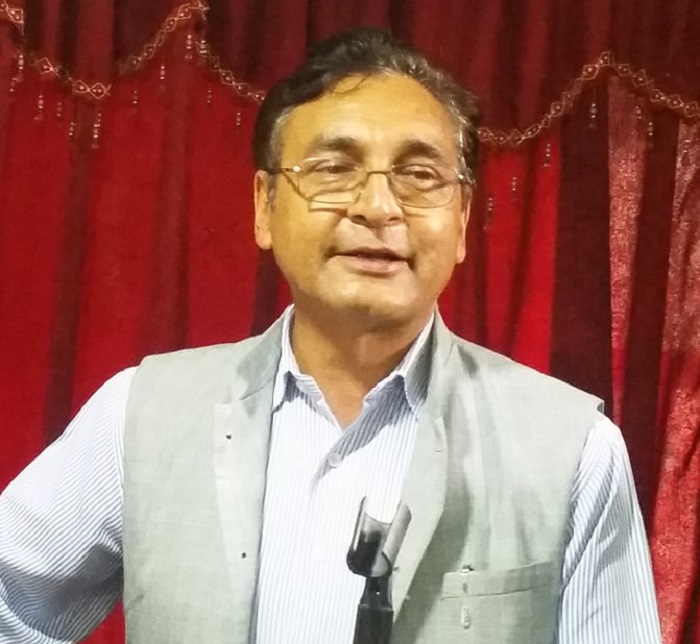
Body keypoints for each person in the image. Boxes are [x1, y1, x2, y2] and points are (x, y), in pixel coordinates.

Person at [0, 27, 661, 644]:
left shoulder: (574, 451)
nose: (377, 207)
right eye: (333, 169)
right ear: (265, 206)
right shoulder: (142, 415)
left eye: (420, 175)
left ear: (462, 221)